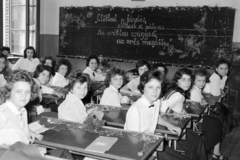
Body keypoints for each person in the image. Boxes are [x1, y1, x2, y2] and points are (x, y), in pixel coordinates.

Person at [124, 70, 207, 160]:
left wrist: (170, 125)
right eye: (150, 87)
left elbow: (157, 117)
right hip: (143, 151)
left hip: (153, 145)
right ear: (143, 87)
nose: (155, 92)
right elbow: (132, 141)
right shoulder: (136, 110)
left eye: (158, 87)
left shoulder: (156, 102)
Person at [190, 68, 227, 160]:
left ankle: (215, 152)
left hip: (200, 115)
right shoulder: (193, 91)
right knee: (216, 123)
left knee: (217, 121)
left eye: (203, 81)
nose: (201, 83)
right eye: (199, 80)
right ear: (193, 80)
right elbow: (195, 109)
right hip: (196, 120)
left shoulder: (197, 89)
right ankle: (214, 152)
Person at [0, 70, 42, 146]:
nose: (23, 95)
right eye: (18, 91)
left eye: (27, 92)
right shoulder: (2, 114)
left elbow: (17, 128)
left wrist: (28, 132)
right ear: (9, 91)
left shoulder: (23, 110)